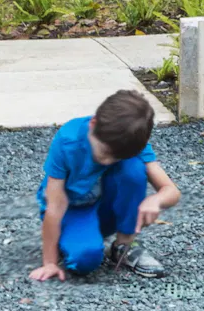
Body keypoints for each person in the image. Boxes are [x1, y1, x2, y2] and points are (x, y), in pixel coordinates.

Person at [31, 87, 179, 282]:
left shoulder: (130, 141)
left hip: (106, 209)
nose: (108, 161)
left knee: (134, 168)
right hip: (72, 211)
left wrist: (156, 200)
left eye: (115, 157)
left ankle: (123, 246)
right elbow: (55, 204)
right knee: (85, 261)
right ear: (93, 124)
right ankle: (69, 239)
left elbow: (171, 191)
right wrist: (49, 262)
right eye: (105, 153)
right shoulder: (68, 140)